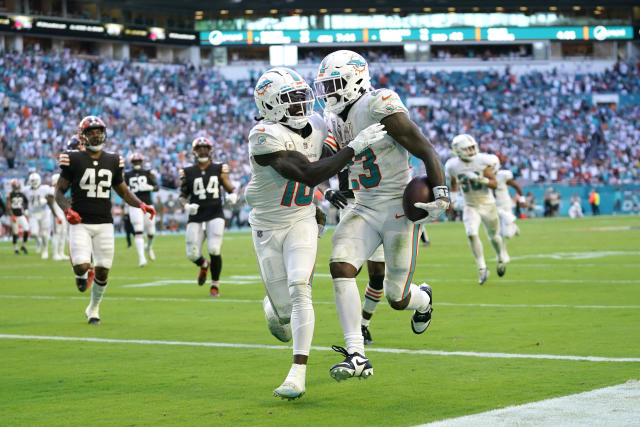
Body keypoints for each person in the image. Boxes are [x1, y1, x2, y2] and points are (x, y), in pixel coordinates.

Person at [247, 67, 386, 399]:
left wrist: (333, 189)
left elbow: (325, 159)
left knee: (300, 288)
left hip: (302, 220)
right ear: (270, 105)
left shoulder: (319, 124)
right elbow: (308, 173)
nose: (300, 106)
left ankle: (297, 373)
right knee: (284, 309)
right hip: (267, 225)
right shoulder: (263, 135)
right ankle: (272, 308)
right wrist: (353, 148)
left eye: (301, 97)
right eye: (290, 100)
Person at [314, 50, 449, 381]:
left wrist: (441, 194)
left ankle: (423, 299)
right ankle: (357, 353)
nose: (328, 92)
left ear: (355, 79)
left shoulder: (378, 104)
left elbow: (425, 148)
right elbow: (323, 162)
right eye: (325, 85)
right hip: (362, 205)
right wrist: (324, 192)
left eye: (334, 84)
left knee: (396, 297)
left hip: (396, 207)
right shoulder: (334, 120)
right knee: (341, 266)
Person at [55, 115, 155, 325]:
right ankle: (82, 274)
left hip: (104, 223)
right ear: (83, 136)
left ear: (104, 133)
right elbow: (59, 193)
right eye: (91, 132)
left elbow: (124, 191)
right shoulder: (73, 158)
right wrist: (66, 210)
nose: (96, 135)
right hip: (80, 222)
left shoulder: (113, 160)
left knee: (103, 270)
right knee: (81, 266)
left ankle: (94, 308)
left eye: (98, 131)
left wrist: (141, 204)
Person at [324, 169, 385, 346]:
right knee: (347, 270)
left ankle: (364, 325)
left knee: (378, 274)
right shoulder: (335, 140)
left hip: (378, 202)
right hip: (349, 203)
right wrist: (326, 189)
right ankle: (353, 334)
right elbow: (319, 160)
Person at [445, 134, 509, 284]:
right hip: (470, 205)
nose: (471, 150)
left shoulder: (482, 161)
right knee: (471, 233)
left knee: (494, 236)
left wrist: (480, 179)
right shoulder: (452, 165)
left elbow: (494, 184)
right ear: (458, 150)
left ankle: (501, 257)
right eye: (468, 148)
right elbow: (453, 182)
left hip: (487, 204)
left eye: (472, 147)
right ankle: (482, 268)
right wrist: (453, 199)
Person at [179, 136, 237, 297]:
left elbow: (230, 187)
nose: (203, 151)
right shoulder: (188, 171)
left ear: (210, 151)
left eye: (205, 148)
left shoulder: (219, 168)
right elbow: (182, 194)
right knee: (192, 253)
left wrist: (233, 195)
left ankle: (215, 285)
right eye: (200, 148)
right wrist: (186, 205)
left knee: (214, 248)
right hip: (196, 214)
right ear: (194, 152)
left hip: (215, 212)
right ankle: (204, 264)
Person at [124, 153, 159, 266]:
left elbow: (157, 187)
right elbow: (122, 188)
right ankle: (142, 258)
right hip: (135, 206)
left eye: (138, 161)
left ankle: (148, 247)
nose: (137, 163)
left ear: (142, 161)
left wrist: (150, 187)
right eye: (135, 162)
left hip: (148, 205)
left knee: (151, 232)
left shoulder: (147, 172)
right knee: (138, 230)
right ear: (131, 163)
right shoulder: (127, 174)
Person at [25, 172, 63, 259]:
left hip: (44, 212)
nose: (34, 182)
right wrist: (25, 208)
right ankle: (38, 242)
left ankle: (45, 250)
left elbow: (50, 199)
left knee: (44, 233)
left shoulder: (45, 188)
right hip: (33, 213)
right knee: (34, 233)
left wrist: (45, 201)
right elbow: (24, 199)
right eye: (32, 180)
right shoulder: (26, 190)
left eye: (35, 180)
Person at [494, 169, 523, 239]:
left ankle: (514, 227)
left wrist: (522, 200)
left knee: (508, 235)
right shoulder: (485, 177)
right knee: (499, 232)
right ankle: (502, 249)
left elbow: (517, 187)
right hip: (494, 205)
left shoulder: (502, 176)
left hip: (505, 204)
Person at [7, 179, 30, 254]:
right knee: (15, 232)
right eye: (15, 184)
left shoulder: (21, 194)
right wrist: (12, 215)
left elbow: (26, 202)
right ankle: (16, 248)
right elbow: (8, 205)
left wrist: (25, 208)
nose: (17, 186)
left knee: (26, 229)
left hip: (21, 214)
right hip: (14, 215)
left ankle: (23, 246)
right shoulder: (10, 194)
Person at [50, 173, 68, 260]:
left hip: (61, 215)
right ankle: (55, 254)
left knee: (63, 234)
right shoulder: (51, 190)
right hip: (56, 215)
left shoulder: (59, 191)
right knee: (56, 234)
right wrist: (56, 216)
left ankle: (61, 253)